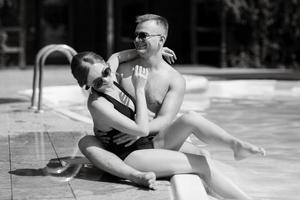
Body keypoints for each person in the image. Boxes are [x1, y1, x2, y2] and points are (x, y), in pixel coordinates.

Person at [72, 14, 266, 199]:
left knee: (191, 119)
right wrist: (140, 91)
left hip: (148, 139)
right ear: (88, 85)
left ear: (162, 39)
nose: (106, 80)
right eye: (136, 35)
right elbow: (139, 127)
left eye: (144, 36)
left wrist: (154, 51)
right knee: (201, 163)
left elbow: (164, 119)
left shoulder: (118, 73)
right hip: (130, 153)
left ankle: (235, 146)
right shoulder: (108, 88)